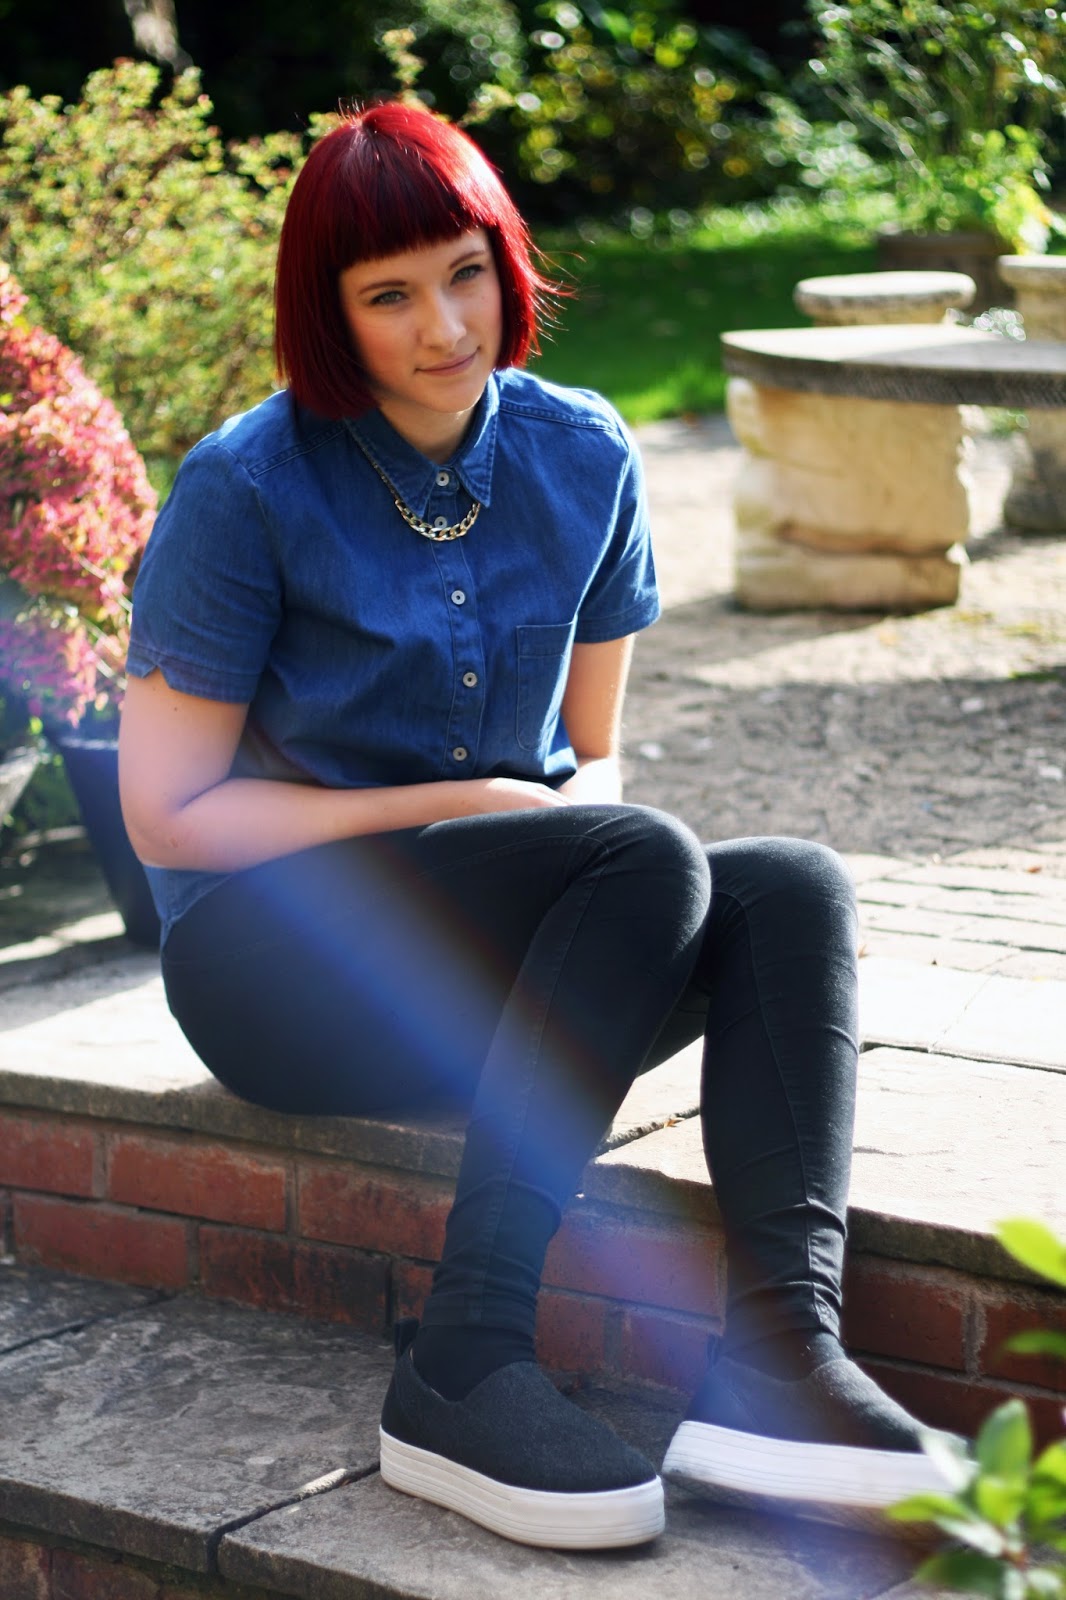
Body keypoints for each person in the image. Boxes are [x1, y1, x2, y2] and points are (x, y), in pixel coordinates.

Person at [118, 100, 960, 1553]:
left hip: (498, 957)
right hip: (275, 971)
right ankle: (462, 1362)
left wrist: (592, 882)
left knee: (791, 886)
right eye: (388, 295)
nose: (445, 326)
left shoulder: (584, 454)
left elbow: (593, 757)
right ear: (329, 315)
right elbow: (169, 816)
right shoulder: (246, 487)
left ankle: (778, 1365)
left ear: (507, 264)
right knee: (642, 851)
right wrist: (461, 804)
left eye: (465, 273)